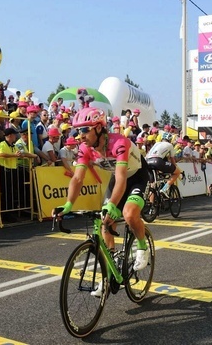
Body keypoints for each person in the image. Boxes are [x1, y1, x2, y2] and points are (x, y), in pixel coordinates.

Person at [54, 107, 151, 292]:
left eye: (84, 130)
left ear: (98, 128)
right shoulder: (85, 148)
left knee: (129, 214)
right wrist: (67, 205)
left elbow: (122, 178)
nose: (80, 135)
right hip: (118, 178)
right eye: (77, 130)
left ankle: (142, 246)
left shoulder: (119, 142)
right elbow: (77, 178)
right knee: (104, 221)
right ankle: (109, 271)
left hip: (137, 176)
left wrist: (113, 204)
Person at [145, 132, 181, 197]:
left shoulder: (157, 143)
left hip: (147, 161)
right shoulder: (170, 145)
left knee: (153, 184)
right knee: (177, 172)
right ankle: (164, 189)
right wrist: (175, 167)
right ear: (170, 140)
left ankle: (152, 205)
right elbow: (172, 159)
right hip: (157, 161)